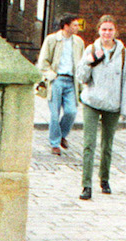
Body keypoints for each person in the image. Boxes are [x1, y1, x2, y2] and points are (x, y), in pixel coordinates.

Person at [75, 14, 126, 200]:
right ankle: (86, 185)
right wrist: (90, 61)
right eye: (103, 29)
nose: (107, 33)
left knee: (107, 144)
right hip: (92, 101)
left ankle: (105, 178)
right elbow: (81, 77)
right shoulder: (91, 48)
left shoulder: (123, 53)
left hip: (112, 104)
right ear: (98, 30)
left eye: (110, 29)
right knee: (89, 144)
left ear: (115, 31)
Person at [36, 14, 84, 156]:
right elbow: (43, 61)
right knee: (54, 114)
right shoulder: (52, 40)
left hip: (71, 81)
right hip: (56, 80)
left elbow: (81, 63)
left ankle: (62, 134)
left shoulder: (79, 42)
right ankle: (55, 143)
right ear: (66, 26)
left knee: (71, 111)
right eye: (74, 25)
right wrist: (51, 75)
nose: (77, 27)